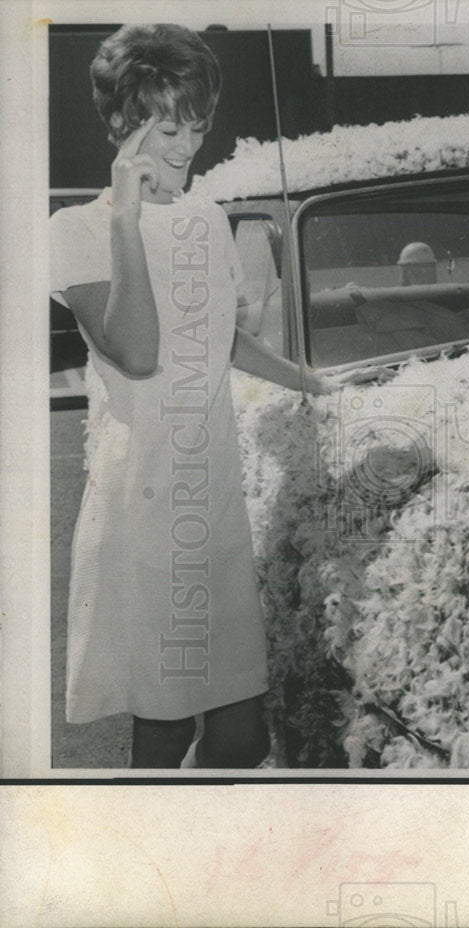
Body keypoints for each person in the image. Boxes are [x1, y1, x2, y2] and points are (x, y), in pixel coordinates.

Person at [49, 24, 330, 768]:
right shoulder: (77, 230)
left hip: (213, 497)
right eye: (167, 125)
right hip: (144, 503)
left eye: (197, 124)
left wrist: (316, 385)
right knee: (168, 727)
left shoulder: (207, 219)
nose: (185, 144)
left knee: (242, 734)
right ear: (121, 125)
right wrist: (127, 220)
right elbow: (139, 353)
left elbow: (219, 338)